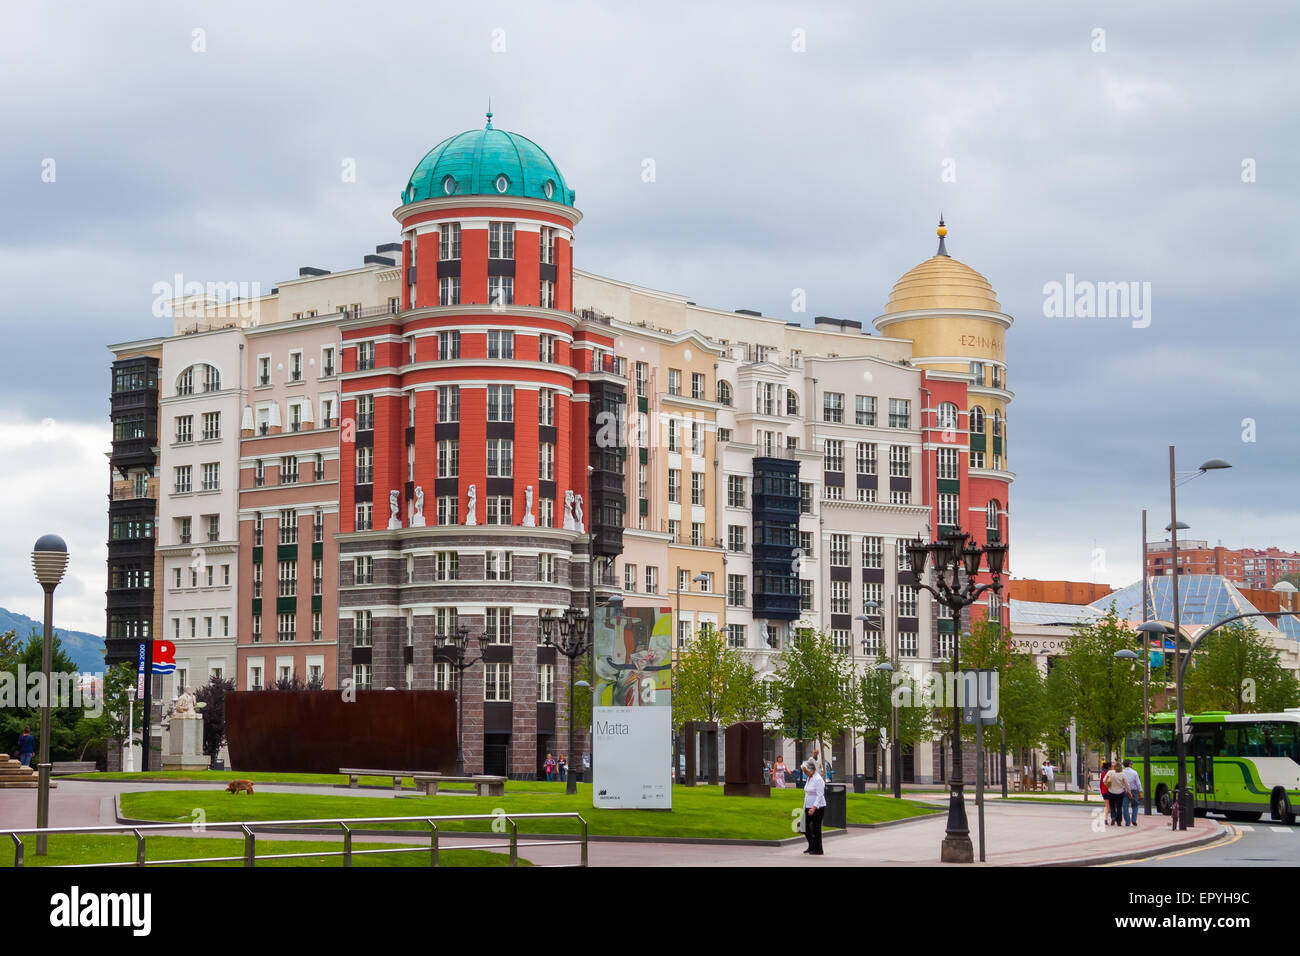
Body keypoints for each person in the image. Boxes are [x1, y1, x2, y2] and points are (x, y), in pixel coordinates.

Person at [802, 759, 826, 856]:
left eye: (805, 771)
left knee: (816, 828)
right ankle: (811, 845)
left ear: (811, 770)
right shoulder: (809, 778)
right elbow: (807, 794)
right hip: (808, 806)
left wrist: (814, 807)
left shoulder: (818, 779)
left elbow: (820, 795)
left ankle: (818, 849)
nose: (804, 773)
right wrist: (805, 807)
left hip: (818, 807)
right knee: (804, 827)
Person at [1103, 759, 1130, 827]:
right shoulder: (1122, 774)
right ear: (1121, 767)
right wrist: (1129, 792)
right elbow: (1127, 784)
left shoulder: (1110, 772)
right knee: (1119, 807)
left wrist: (1107, 785)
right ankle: (1119, 821)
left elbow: (1104, 780)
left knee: (1112, 807)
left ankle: (1113, 818)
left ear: (1114, 767)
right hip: (1120, 793)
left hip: (1111, 792)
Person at [1122, 759, 1143, 827]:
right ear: (1129, 764)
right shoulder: (1134, 772)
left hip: (1124, 791)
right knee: (1135, 806)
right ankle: (1134, 820)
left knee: (1125, 807)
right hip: (1133, 791)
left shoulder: (1122, 772)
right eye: (1132, 764)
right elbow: (1138, 783)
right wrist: (1140, 792)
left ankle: (1127, 822)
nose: (1132, 765)